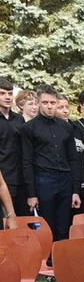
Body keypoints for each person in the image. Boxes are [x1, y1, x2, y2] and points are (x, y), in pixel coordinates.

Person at [21, 85, 81, 244]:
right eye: (45, 102)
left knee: (64, 223)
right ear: (38, 103)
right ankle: (49, 257)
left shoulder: (67, 127)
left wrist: (75, 190)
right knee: (47, 224)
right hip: (43, 179)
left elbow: (73, 158)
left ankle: (61, 258)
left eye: (52, 103)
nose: (49, 106)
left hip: (65, 178)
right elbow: (26, 160)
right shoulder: (29, 128)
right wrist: (31, 193)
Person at [0, 79, 30, 218]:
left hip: (22, 180)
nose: (7, 97)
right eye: (2, 93)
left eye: (9, 93)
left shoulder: (19, 119)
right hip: (3, 179)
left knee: (23, 223)